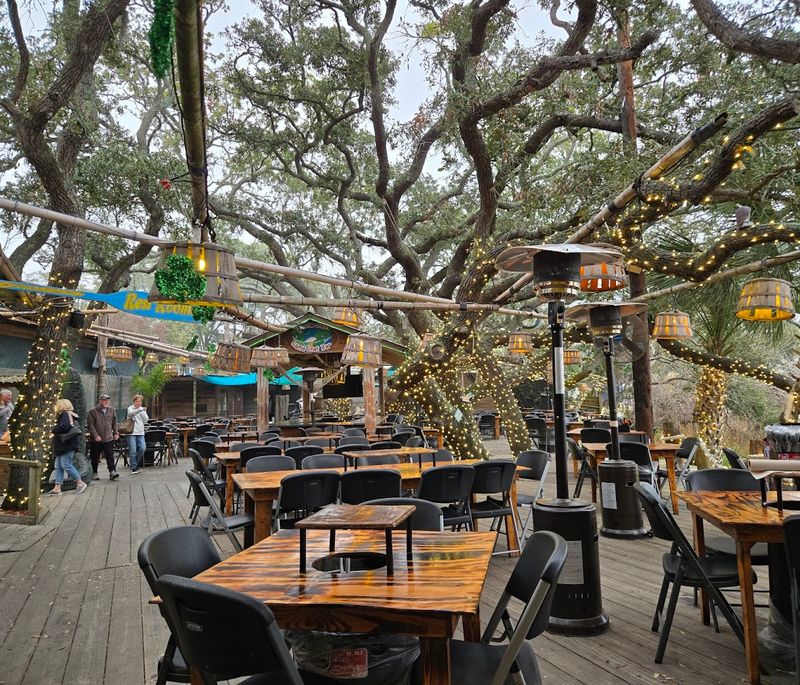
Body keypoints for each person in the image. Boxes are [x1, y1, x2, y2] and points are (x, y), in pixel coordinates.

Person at [50, 399, 87, 495]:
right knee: (58, 466)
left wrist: (53, 429)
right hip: (65, 445)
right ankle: (57, 487)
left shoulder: (65, 415)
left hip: (66, 445)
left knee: (65, 464)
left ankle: (80, 482)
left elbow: (64, 427)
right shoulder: (71, 415)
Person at [87, 394, 119, 480]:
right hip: (96, 440)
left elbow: (115, 423)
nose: (106, 402)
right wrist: (96, 435)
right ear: (100, 401)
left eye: (108, 400)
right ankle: (94, 472)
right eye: (104, 400)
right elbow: (91, 425)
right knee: (95, 457)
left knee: (110, 455)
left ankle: (112, 471)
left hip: (108, 438)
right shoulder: (92, 412)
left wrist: (116, 433)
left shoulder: (112, 410)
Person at [126, 394, 148, 474]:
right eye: (137, 401)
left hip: (141, 432)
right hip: (131, 432)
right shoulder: (130, 408)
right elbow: (130, 414)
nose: (138, 403)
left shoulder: (142, 409)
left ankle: (134, 464)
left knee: (143, 448)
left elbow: (146, 420)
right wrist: (139, 410)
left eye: (140, 401)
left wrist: (142, 412)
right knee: (133, 450)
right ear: (134, 401)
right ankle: (134, 468)